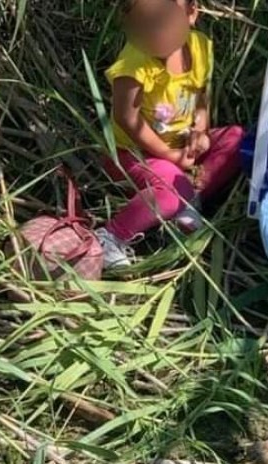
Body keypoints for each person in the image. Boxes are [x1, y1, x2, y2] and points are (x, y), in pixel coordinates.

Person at [95, 0, 244, 268]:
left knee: (237, 139)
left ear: (191, 12)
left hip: (181, 145)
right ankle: (111, 237)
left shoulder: (199, 47)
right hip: (134, 152)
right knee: (170, 191)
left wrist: (200, 132)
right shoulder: (134, 65)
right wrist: (170, 155)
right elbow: (126, 119)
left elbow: (199, 97)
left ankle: (190, 196)